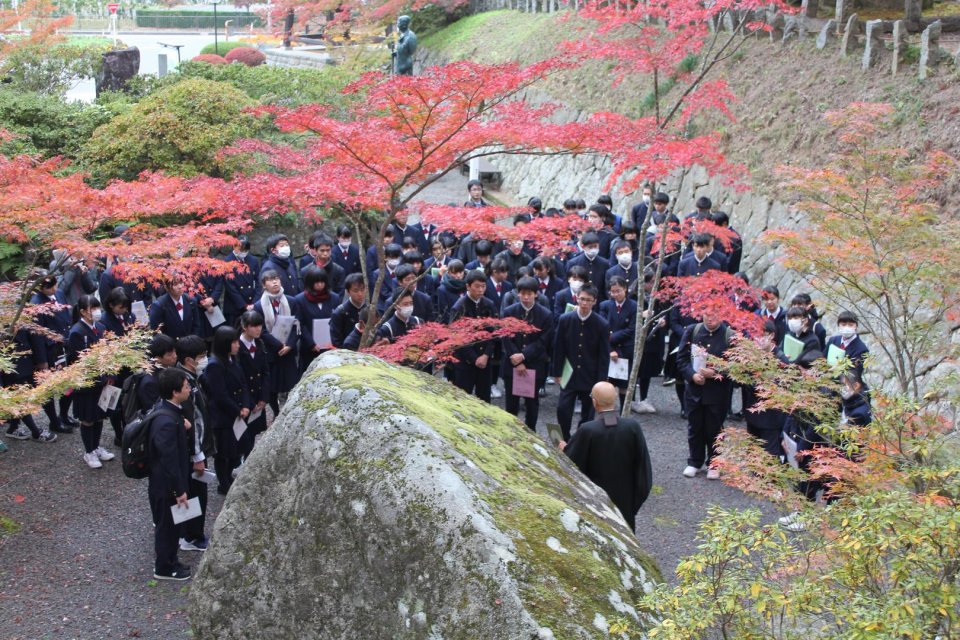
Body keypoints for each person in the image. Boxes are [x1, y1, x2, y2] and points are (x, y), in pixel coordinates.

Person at [562, 382, 652, 532]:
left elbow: (570, 463)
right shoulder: (632, 427)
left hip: (594, 501)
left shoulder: (587, 430)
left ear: (594, 401)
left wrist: (563, 448)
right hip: (625, 501)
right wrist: (634, 503)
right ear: (615, 398)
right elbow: (644, 468)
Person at [148, 367, 194, 581]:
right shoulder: (166, 421)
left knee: (172, 524)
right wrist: (179, 490)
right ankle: (165, 567)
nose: (189, 389)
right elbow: (169, 459)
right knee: (167, 527)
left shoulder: (167, 411)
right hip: (166, 485)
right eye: (186, 387)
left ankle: (171, 561)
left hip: (166, 483)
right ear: (175, 392)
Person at [676, 312, 734, 480]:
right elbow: (682, 358)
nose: (710, 319)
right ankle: (694, 461)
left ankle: (714, 462)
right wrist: (692, 375)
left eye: (714, 315)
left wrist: (715, 372)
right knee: (694, 427)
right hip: (694, 390)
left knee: (714, 428)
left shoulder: (729, 336)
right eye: (707, 315)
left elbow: (735, 367)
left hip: (717, 392)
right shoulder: (693, 331)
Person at [553, 284, 610, 440]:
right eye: (582, 299)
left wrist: (601, 380)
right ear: (576, 298)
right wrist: (556, 372)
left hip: (590, 374)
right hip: (569, 372)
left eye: (588, 300)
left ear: (595, 301)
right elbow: (558, 347)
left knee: (588, 411)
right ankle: (563, 438)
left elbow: (604, 355)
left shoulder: (601, 324)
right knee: (563, 408)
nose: (584, 303)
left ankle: (581, 438)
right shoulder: (565, 319)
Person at [174, 335, 214, 553]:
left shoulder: (187, 377)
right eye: (202, 357)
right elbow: (194, 422)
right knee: (195, 493)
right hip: (192, 451)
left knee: (187, 491)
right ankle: (192, 536)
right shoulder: (185, 384)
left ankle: (184, 533)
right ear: (189, 360)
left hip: (187, 451)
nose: (205, 360)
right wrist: (198, 455)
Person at [67, 294, 116, 469]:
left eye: (97, 308)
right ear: (83, 312)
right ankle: (89, 451)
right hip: (88, 383)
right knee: (88, 418)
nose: (97, 312)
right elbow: (78, 363)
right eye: (93, 309)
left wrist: (110, 376)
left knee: (99, 416)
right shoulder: (77, 332)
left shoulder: (101, 327)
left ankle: (96, 447)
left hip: (104, 380)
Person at [201, 326, 250, 495]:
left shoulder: (232, 359)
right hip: (223, 416)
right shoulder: (215, 365)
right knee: (223, 452)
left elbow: (243, 383)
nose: (237, 345)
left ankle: (228, 476)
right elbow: (219, 394)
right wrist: (238, 410)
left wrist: (245, 405)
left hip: (236, 412)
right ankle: (224, 481)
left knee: (236, 450)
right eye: (234, 342)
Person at [501, 277, 554, 431]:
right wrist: (517, 360)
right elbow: (505, 337)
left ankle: (531, 431)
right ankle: (510, 431)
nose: (525, 297)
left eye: (529, 294)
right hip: (512, 363)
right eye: (522, 293)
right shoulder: (509, 312)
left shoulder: (545, 314)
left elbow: (544, 341)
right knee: (511, 402)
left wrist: (523, 355)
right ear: (518, 294)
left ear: (536, 294)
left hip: (534, 363)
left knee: (532, 402)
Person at [30, 275, 75, 433]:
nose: (53, 289)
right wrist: (41, 360)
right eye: (49, 288)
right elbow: (37, 335)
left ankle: (64, 415)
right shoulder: (36, 304)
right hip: (49, 349)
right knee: (49, 388)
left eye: (54, 286)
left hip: (64, 345)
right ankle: (54, 420)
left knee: (69, 383)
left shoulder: (60, 294)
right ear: (41, 288)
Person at [253, 270, 300, 415]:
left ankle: (291, 412)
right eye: (270, 280)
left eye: (277, 278)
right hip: (270, 350)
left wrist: (290, 345)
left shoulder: (291, 301)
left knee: (291, 382)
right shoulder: (259, 306)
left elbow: (297, 325)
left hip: (289, 350)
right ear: (264, 284)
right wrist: (279, 345)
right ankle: (276, 412)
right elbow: (261, 331)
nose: (275, 282)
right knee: (272, 385)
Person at [2, 326, 57, 443]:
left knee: (17, 394)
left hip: (22, 358)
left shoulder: (20, 313)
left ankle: (13, 428)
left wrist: (40, 359)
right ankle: (35, 432)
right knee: (18, 396)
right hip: (9, 362)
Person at [450, 270, 497, 402]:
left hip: (485, 359)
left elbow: (493, 333)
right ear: (468, 286)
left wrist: (486, 354)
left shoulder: (489, 304)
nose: (481, 290)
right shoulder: (459, 307)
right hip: (465, 360)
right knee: (464, 399)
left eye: (483, 286)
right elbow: (457, 337)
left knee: (485, 398)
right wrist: (474, 358)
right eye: (477, 286)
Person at [743, 320, 787, 458]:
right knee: (753, 456)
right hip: (752, 414)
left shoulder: (781, 359)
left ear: (771, 335)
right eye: (756, 335)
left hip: (771, 418)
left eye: (763, 335)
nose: (759, 339)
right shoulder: (751, 357)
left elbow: (782, 388)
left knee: (769, 458)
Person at [100, 287, 134, 445]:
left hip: (129, 365)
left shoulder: (129, 316)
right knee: (113, 404)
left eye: (126, 307)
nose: (124, 310)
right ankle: (119, 433)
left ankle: (128, 430)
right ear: (111, 305)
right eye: (121, 307)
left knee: (129, 401)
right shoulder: (103, 321)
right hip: (114, 367)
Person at [236, 311, 270, 461]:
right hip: (244, 399)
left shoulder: (260, 343)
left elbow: (265, 372)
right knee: (242, 434)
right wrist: (249, 403)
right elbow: (239, 378)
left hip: (258, 395)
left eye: (260, 326)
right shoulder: (237, 347)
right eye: (254, 326)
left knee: (254, 431)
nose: (258, 329)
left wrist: (263, 398)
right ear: (244, 327)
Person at [599, 276, 637, 410]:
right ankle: (608, 415)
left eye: (618, 291)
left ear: (625, 289)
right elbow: (602, 328)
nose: (615, 294)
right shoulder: (605, 306)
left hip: (625, 349)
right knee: (608, 384)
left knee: (624, 385)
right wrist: (610, 349)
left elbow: (631, 329)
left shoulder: (633, 306)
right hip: (609, 350)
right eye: (613, 291)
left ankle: (623, 413)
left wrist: (611, 337)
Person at [294, 266, 341, 372]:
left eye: (322, 282)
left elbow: (338, 321)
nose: (320, 285)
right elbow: (300, 324)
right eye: (316, 282)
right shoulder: (300, 300)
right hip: (310, 348)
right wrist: (311, 343)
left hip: (330, 346)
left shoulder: (334, 298)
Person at [222, 236, 261, 326]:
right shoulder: (227, 261)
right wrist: (244, 305)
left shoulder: (253, 260)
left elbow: (258, 281)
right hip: (235, 306)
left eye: (245, 249)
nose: (243, 252)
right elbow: (230, 287)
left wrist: (254, 303)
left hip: (252, 303)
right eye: (241, 248)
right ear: (234, 246)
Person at [826, 310, 869, 383]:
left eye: (850, 325)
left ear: (856, 326)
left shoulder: (862, 349)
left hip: (847, 387)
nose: (847, 327)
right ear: (838, 325)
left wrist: (838, 369)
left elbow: (854, 374)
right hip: (827, 382)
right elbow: (823, 359)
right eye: (843, 324)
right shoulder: (833, 340)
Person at [566, 231, 610, 301]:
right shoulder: (573, 262)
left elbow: (605, 286)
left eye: (595, 246)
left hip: (598, 301)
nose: (593, 249)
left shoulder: (604, 263)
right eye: (590, 247)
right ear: (583, 246)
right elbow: (567, 284)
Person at [330, 274, 368, 349]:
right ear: (348, 292)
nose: (360, 294)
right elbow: (336, 342)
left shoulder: (369, 309)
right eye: (356, 291)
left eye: (362, 289)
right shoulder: (339, 313)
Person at [435, 259, 466, 324]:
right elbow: (444, 314)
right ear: (449, 273)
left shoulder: (469, 284)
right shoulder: (442, 289)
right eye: (454, 273)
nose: (458, 275)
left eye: (460, 272)